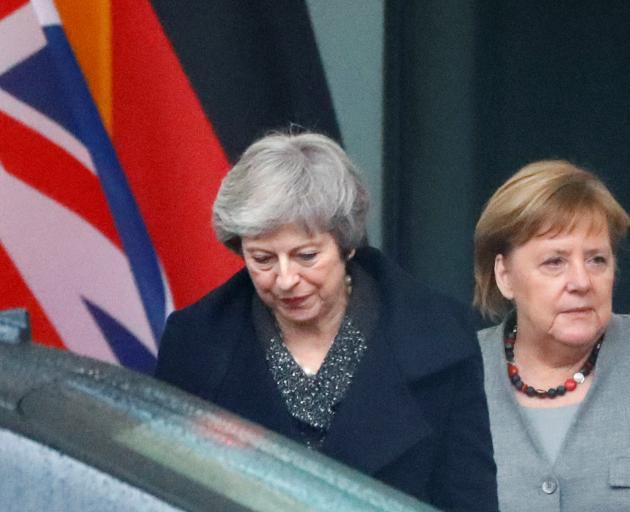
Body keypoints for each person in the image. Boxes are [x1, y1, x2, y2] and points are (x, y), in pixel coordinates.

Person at [156, 131, 497, 510]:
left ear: (346, 244)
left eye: (305, 256)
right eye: (263, 259)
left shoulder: (443, 340)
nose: (285, 280)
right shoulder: (194, 344)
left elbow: (469, 500)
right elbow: (164, 493)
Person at [474, 160, 630, 511]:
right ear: (505, 275)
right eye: (554, 262)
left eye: (597, 260)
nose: (581, 282)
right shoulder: (458, 373)